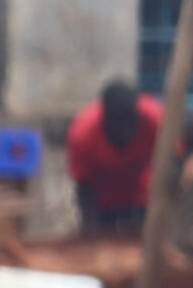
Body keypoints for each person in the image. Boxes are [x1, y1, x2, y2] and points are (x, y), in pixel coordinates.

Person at [67, 78, 167, 237]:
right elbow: (83, 185)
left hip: (142, 198)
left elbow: (173, 163)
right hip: (101, 202)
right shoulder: (82, 134)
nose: (127, 132)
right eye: (120, 124)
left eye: (131, 122)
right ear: (105, 118)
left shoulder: (156, 120)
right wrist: (90, 231)